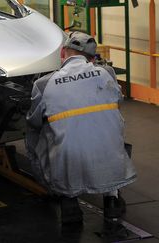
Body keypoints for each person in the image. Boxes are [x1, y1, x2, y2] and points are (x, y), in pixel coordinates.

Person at [25, 31, 137, 224]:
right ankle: (112, 199)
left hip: (69, 157)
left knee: (37, 134)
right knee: (107, 124)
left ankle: (68, 200)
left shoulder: (43, 84)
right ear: (93, 58)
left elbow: (34, 120)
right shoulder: (107, 73)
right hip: (109, 154)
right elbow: (118, 102)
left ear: (62, 53)